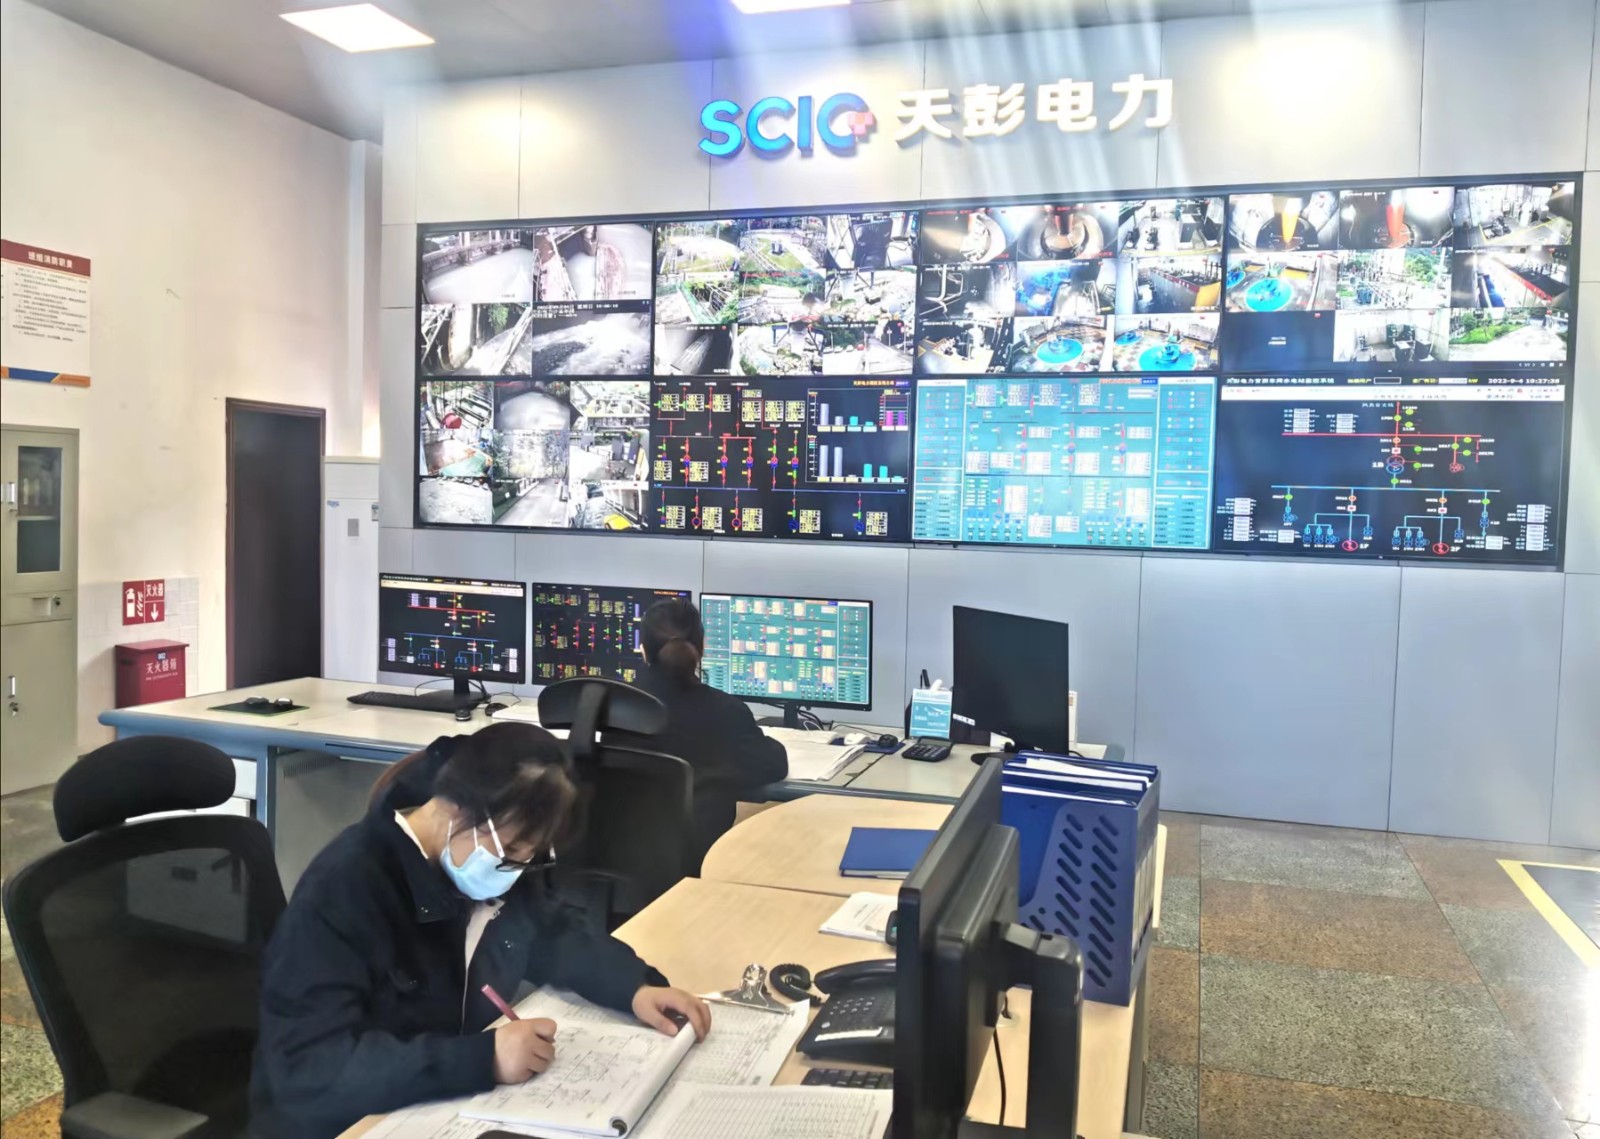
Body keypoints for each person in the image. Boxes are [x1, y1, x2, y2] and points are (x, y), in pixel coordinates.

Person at [250, 723, 710, 1139]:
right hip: (346, 1124)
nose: (516, 867)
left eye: (531, 854)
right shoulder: (348, 884)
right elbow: (310, 1068)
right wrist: (482, 1058)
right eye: (511, 849)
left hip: (439, 1106)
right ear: (453, 809)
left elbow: (553, 933)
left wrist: (634, 987)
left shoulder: (487, 858)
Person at [631, 598, 788, 870]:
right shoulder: (726, 711)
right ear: (701, 648)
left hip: (618, 865)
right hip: (693, 870)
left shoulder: (617, 705)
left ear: (643, 651)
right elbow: (773, 764)